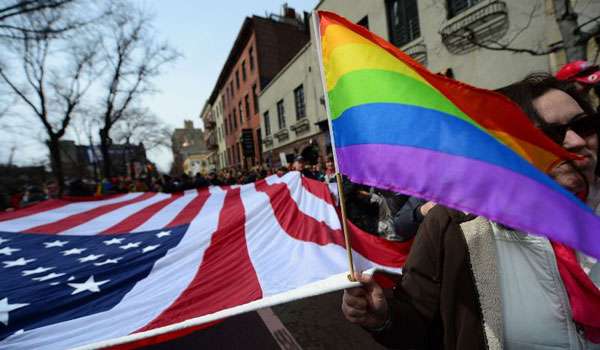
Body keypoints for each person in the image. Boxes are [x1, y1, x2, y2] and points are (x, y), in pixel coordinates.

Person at [341, 73, 600, 349]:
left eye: (583, 126)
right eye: (549, 133)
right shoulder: (456, 224)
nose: (575, 142)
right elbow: (418, 323)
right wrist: (383, 317)